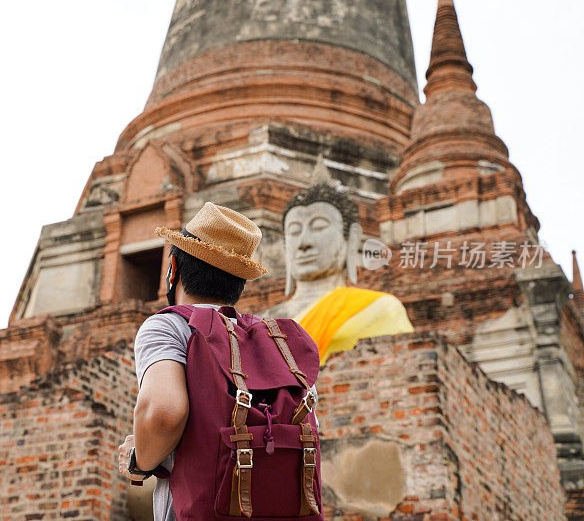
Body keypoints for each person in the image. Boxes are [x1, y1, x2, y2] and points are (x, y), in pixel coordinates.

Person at [118, 202, 272, 520]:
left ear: (173, 268)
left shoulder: (170, 325)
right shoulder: (267, 339)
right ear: (239, 286)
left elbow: (163, 412)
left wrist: (139, 459)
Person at [265, 183, 413, 365]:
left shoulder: (380, 309)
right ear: (285, 246)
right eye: (294, 231)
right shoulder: (260, 323)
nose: (304, 243)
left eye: (319, 227)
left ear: (351, 238)